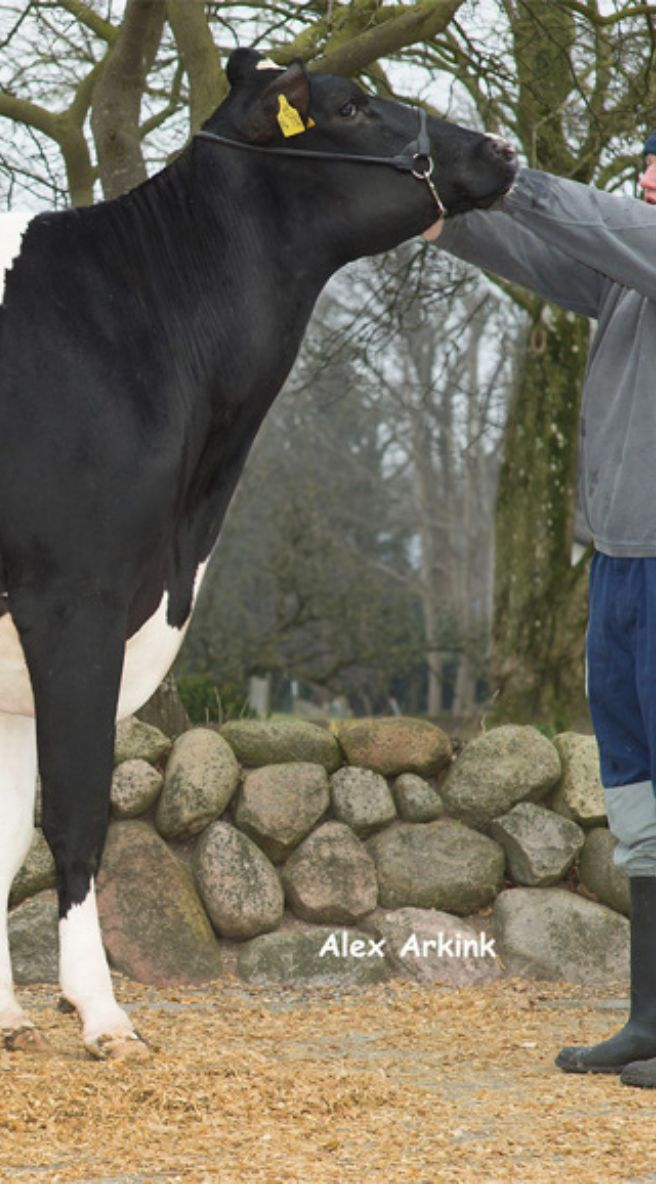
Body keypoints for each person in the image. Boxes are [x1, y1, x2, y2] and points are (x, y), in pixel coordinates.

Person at [424, 130, 656, 1089]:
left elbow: (588, 221)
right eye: (645, 163)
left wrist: (513, 177)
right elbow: (543, 248)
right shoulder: (624, 274)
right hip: (620, 567)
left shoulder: (642, 248)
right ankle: (649, 1019)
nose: (645, 176)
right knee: (640, 801)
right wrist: (438, 211)